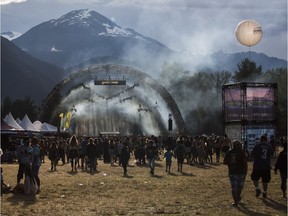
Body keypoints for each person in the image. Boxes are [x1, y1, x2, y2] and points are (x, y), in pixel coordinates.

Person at [223, 140, 248, 207]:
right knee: (239, 187)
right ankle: (237, 199)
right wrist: (246, 171)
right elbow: (245, 162)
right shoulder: (242, 152)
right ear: (236, 146)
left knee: (234, 187)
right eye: (239, 145)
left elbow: (224, 162)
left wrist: (230, 164)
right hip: (241, 172)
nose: (240, 146)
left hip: (232, 172)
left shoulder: (228, 152)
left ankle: (236, 201)